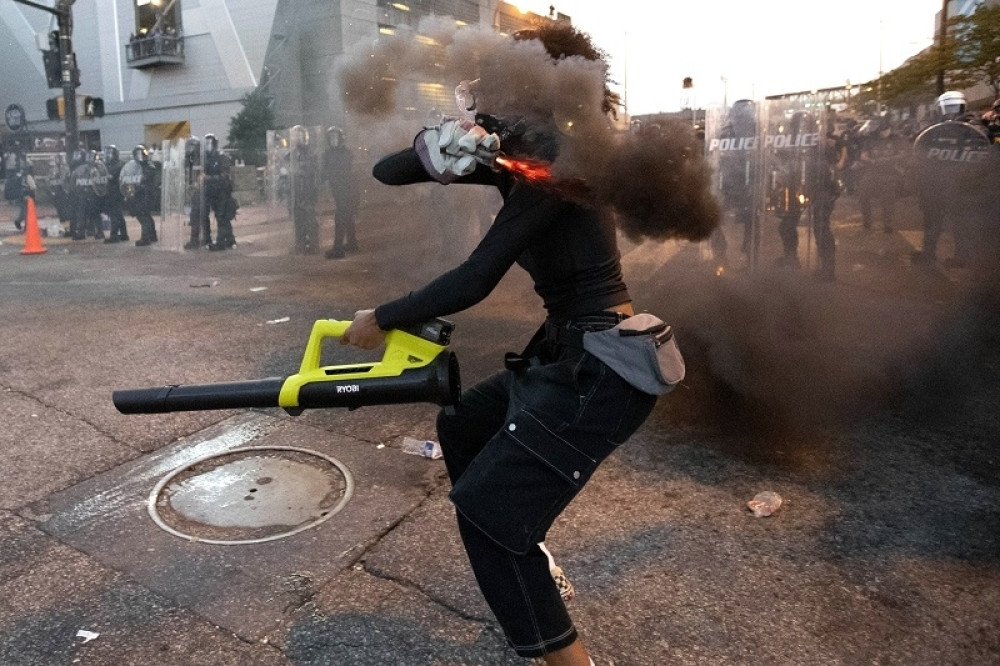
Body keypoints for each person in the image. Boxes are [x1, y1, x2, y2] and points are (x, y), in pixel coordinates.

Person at [340, 24, 659, 666]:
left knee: (487, 516)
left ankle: (558, 638)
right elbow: (387, 170)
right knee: (460, 425)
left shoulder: (560, 161)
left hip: (599, 367)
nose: (487, 92)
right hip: (566, 353)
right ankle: (527, 559)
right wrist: (453, 140)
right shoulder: (518, 154)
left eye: (502, 82)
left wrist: (385, 316)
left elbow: (475, 276)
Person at [912, 91, 994, 268]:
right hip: (942, 183)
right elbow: (920, 149)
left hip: (961, 184)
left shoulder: (975, 127)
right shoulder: (934, 128)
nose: (951, 111)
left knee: (958, 223)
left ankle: (957, 256)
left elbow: (984, 152)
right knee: (936, 221)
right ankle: (930, 253)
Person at [323, 126, 359, 259]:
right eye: (331, 137)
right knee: (348, 216)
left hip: (347, 188)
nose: (333, 139)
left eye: (335, 137)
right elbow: (325, 171)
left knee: (340, 217)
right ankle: (352, 243)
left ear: (340, 138)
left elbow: (347, 173)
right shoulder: (328, 153)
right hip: (337, 189)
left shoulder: (345, 153)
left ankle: (337, 249)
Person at [200, 133, 238, 251]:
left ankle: (222, 241)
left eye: (209, 143)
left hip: (222, 191)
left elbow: (224, 176)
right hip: (211, 191)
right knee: (215, 216)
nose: (207, 146)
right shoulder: (207, 158)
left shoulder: (221, 157)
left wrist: (209, 178)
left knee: (222, 216)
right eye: (206, 143)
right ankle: (228, 239)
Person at [287, 125, 320, 254]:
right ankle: (300, 244)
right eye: (295, 135)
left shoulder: (311, 153)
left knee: (310, 220)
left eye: (300, 135)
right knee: (298, 220)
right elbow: (286, 169)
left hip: (307, 190)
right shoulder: (291, 154)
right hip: (296, 192)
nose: (297, 138)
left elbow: (314, 171)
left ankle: (313, 244)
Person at [122, 144, 158, 246]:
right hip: (141, 194)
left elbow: (144, 178)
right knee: (145, 215)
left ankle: (146, 238)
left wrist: (137, 184)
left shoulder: (149, 166)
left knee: (143, 216)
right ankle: (152, 235)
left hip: (146, 194)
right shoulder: (135, 166)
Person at [99, 145, 129, 243]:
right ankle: (124, 234)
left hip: (116, 193)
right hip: (109, 193)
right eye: (106, 152)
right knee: (118, 214)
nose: (107, 155)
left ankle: (114, 235)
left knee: (114, 215)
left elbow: (115, 177)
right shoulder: (105, 165)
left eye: (110, 153)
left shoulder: (119, 165)